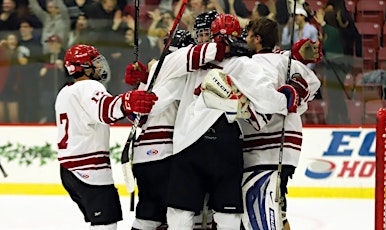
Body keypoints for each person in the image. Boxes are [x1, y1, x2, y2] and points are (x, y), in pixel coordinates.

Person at [165, 14, 287, 229]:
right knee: (227, 212)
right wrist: (289, 96)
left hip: (188, 143)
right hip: (225, 142)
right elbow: (271, 102)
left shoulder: (190, 59)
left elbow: (163, 79)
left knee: (180, 210)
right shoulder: (242, 63)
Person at [125, 30, 225, 229]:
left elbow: (135, 115)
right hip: (165, 155)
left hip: (142, 157)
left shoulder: (156, 71)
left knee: (148, 216)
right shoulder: (182, 73)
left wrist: (141, 84)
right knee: (184, 212)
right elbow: (153, 105)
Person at [55, 44, 158, 230]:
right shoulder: (88, 86)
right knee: (105, 224)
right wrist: (128, 100)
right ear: (83, 67)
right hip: (89, 170)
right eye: (95, 62)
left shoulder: (65, 92)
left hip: (70, 169)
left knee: (101, 222)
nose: (101, 66)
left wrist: (130, 104)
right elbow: (105, 110)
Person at [242, 17, 321, 229]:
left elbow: (265, 98)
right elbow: (313, 83)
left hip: (262, 147)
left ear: (257, 39)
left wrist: (286, 99)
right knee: (279, 209)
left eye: (248, 35)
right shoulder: (288, 63)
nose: (245, 39)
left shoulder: (252, 65)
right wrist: (296, 98)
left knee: (259, 210)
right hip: (288, 147)